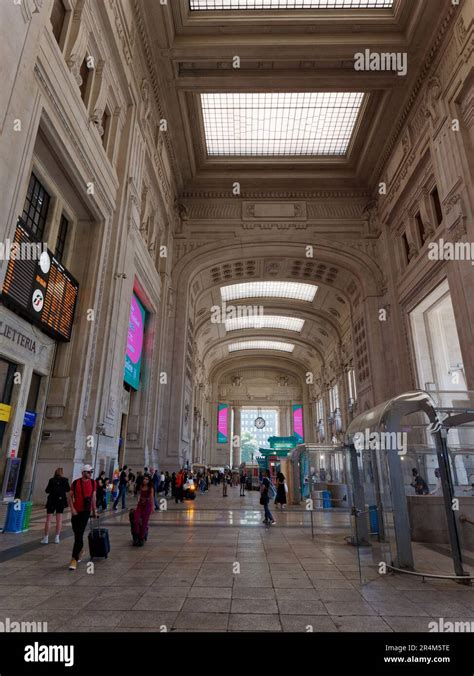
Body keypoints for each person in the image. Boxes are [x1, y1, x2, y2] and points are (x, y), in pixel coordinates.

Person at [67, 465, 97, 570]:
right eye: (88, 472)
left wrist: (95, 510)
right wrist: (72, 509)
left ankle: (74, 559)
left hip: (86, 511)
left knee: (79, 534)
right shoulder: (75, 483)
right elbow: (69, 496)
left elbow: (93, 497)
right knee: (76, 533)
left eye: (91, 472)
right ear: (83, 472)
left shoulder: (93, 483)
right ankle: (80, 550)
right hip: (76, 512)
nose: (90, 474)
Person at [41, 468, 70, 544]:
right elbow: (68, 489)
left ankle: (46, 538)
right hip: (60, 501)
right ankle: (57, 538)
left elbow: (47, 490)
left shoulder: (51, 480)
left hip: (51, 500)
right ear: (62, 473)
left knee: (48, 520)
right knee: (59, 520)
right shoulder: (65, 480)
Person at [133, 474, 154, 546]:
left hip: (147, 506)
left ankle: (141, 538)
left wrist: (152, 507)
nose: (145, 480)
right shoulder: (141, 486)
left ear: (149, 480)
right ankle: (136, 536)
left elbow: (151, 498)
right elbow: (138, 495)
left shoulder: (150, 488)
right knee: (136, 520)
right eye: (144, 479)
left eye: (147, 479)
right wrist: (138, 500)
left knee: (144, 522)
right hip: (140, 505)